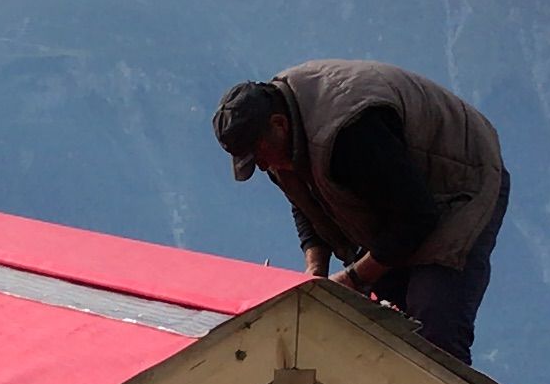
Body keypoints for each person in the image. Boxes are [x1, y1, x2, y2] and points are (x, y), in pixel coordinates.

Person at [213, 60, 509, 361]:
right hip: (393, 193)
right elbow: (304, 201)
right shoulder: (279, 140)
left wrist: (352, 278)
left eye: (259, 154)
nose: (263, 166)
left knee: (433, 325)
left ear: (279, 124)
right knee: (382, 319)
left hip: (457, 180)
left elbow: (417, 216)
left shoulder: (349, 134)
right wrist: (315, 273)